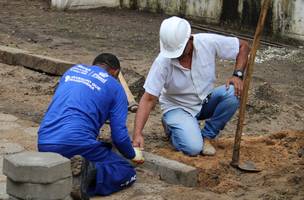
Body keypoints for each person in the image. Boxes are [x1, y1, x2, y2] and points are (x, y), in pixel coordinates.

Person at [132, 16, 250, 156]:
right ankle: (172, 127)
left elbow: (244, 46)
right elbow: (148, 99)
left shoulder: (207, 42)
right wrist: (137, 134)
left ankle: (207, 136)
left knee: (233, 92)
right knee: (193, 148)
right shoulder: (162, 62)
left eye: (181, 50)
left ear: (190, 38)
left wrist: (237, 75)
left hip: (205, 101)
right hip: (178, 107)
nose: (178, 55)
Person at [38, 53, 138, 199]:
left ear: (94, 65)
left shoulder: (72, 71)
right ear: (115, 72)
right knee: (126, 170)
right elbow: (120, 137)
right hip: (75, 143)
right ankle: (87, 176)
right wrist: (132, 155)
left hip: (44, 142)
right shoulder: (116, 87)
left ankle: (68, 172)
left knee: (93, 147)